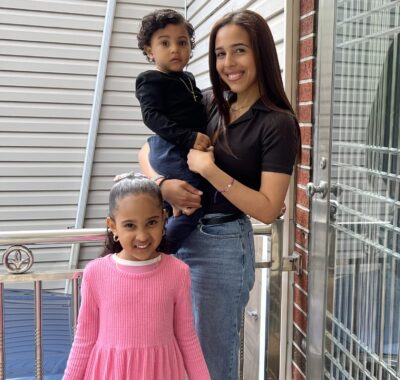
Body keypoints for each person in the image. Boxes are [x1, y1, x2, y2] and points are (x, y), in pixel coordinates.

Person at [138, 9, 301, 380]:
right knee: (172, 351)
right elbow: (147, 150)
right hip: (179, 232)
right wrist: (163, 184)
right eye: (220, 53)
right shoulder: (209, 101)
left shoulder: (277, 122)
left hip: (221, 246)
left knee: (211, 361)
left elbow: (268, 208)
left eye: (239, 50)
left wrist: (209, 169)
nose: (228, 63)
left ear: (261, 53)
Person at [63, 172, 211, 380]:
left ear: (163, 219)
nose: (142, 236)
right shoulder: (95, 273)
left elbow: (187, 336)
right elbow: (84, 339)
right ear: (113, 226)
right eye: (130, 225)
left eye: (151, 222)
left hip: (161, 372)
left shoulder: (178, 272)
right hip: (109, 373)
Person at [135, 9, 210, 253]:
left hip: (182, 147)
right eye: (164, 43)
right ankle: (162, 250)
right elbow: (151, 117)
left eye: (182, 42)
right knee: (194, 198)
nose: (175, 49)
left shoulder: (187, 78)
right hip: (169, 147)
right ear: (149, 50)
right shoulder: (150, 79)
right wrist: (189, 137)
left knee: (177, 204)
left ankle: (163, 229)